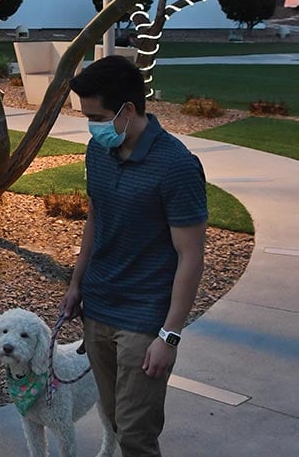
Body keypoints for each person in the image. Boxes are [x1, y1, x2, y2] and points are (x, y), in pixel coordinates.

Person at [59, 55, 207, 456]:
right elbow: (96, 217)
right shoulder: (98, 151)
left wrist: (170, 335)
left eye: (97, 115)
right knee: (114, 421)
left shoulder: (176, 166)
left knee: (137, 436)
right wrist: (76, 284)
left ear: (127, 110)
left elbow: (190, 255)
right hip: (99, 308)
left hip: (144, 319)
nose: (92, 125)